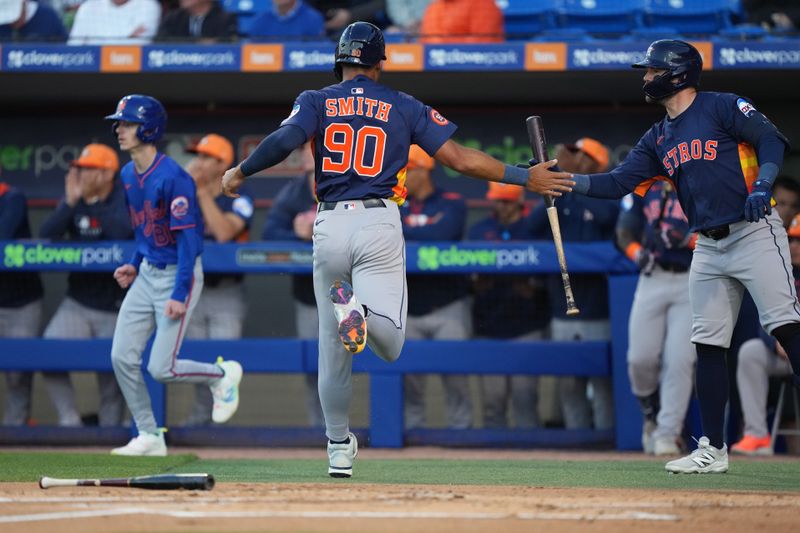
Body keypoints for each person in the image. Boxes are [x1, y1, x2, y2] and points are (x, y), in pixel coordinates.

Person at [220, 21, 573, 477]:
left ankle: (337, 448)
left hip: (328, 222)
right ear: (379, 64)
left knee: (332, 350)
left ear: (340, 61)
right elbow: (460, 159)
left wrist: (241, 172)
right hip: (378, 220)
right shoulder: (403, 105)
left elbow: (285, 141)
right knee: (390, 345)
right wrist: (525, 177)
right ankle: (362, 316)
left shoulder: (316, 99)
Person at [565, 39, 797, 474]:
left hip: (753, 230)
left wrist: (764, 186)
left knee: (786, 328)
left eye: (652, 71)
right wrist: (565, 181)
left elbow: (771, 140)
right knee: (708, 344)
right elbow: (616, 183)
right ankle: (713, 449)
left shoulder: (722, 106)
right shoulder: (658, 135)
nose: (646, 78)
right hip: (707, 245)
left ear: (677, 73)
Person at [105, 94, 243, 456]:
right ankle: (149, 434)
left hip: (178, 275)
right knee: (121, 356)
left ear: (147, 128)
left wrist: (180, 292)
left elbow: (189, 242)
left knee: (161, 368)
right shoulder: (127, 174)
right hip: (147, 272)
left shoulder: (173, 177)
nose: (119, 129)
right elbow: (145, 230)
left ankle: (221, 375)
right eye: (119, 123)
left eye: (127, 123)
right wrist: (134, 262)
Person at [39, 143, 132, 427]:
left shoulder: (124, 197)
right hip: (78, 302)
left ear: (107, 174)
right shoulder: (74, 198)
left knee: (112, 375)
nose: (81, 174)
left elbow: (124, 233)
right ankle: (70, 421)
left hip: (116, 305)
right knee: (48, 355)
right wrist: (69, 203)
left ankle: (109, 431)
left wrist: (94, 204)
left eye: (88, 169)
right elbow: (47, 237)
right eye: (79, 168)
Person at [529, 139, 618, 432]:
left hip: (599, 305)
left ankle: (606, 439)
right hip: (561, 303)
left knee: (603, 384)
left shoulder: (609, 190)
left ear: (596, 162)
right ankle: (577, 441)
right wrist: (554, 181)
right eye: (573, 154)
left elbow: (608, 218)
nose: (573, 159)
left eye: (581, 155)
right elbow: (530, 227)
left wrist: (569, 178)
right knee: (568, 383)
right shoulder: (562, 193)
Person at [616, 180, 695, 456]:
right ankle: (651, 412)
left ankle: (668, 433)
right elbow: (624, 231)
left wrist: (688, 239)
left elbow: (723, 234)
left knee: (679, 360)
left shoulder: (700, 179)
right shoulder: (644, 183)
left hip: (692, 278)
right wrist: (637, 254)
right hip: (653, 277)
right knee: (640, 359)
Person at [181, 134, 253, 426]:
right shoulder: (183, 194)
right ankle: (201, 423)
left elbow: (224, 232)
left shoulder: (239, 198)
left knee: (224, 364)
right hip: (193, 290)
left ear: (223, 163)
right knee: (198, 364)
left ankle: (224, 429)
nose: (198, 161)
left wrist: (200, 194)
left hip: (226, 292)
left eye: (206, 156)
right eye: (197, 155)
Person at [401, 144, 472, 430]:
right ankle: (412, 438)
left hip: (448, 305)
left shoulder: (451, 201)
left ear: (423, 170)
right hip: (407, 307)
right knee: (410, 383)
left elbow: (444, 235)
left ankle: (462, 436)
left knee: (456, 378)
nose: (402, 176)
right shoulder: (393, 203)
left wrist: (407, 235)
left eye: (407, 170)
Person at [468, 181, 549, 429]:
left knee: (525, 400)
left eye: (506, 201)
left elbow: (549, 272)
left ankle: (532, 462)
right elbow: (463, 271)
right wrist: (475, 284)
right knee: (493, 403)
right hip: (488, 324)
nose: (500, 206)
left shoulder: (532, 228)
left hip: (527, 325)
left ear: (519, 202)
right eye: (497, 200)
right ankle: (493, 462)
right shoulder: (479, 230)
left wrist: (535, 286)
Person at [261, 143, 324, 428]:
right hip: (310, 296)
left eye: (312, 146)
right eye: (305, 148)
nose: (306, 153)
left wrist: (318, 230)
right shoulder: (296, 191)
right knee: (315, 367)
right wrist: (296, 234)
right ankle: (322, 431)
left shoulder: (353, 183)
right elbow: (270, 232)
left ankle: (367, 430)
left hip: (352, 295)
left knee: (362, 364)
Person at [731, 213, 800, 456]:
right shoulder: (778, 272)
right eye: (791, 239)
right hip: (783, 355)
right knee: (751, 352)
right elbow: (764, 318)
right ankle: (756, 434)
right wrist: (776, 341)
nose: (793, 246)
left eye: (799, 241)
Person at [0, 179, 45, 426]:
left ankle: (15, 431)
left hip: (20, 302)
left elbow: (3, 235)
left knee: (17, 376)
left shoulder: (12, 196)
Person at [68, 0, 161, 45]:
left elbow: (137, 47)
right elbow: (73, 49)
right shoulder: (88, 8)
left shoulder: (148, 5)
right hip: (90, 74)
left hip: (133, 74)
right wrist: (127, 37)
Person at [418, 0, 503, 44]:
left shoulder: (483, 4)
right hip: (431, 73)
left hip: (471, 73)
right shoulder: (432, 9)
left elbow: (483, 46)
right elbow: (423, 46)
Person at [156, 0, 238, 43]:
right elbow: (159, 43)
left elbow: (228, 45)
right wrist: (196, 45)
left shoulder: (225, 19)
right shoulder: (172, 18)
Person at [245, 0, 324, 41]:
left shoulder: (313, 19)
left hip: (302, 71)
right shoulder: (259, 21)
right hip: (266, 69)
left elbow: (315, 53)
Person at [0, 0, 67, 42]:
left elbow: (64, 48)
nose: (12, 23)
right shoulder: (2, 26)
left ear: (24, 5)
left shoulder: (49, 16)